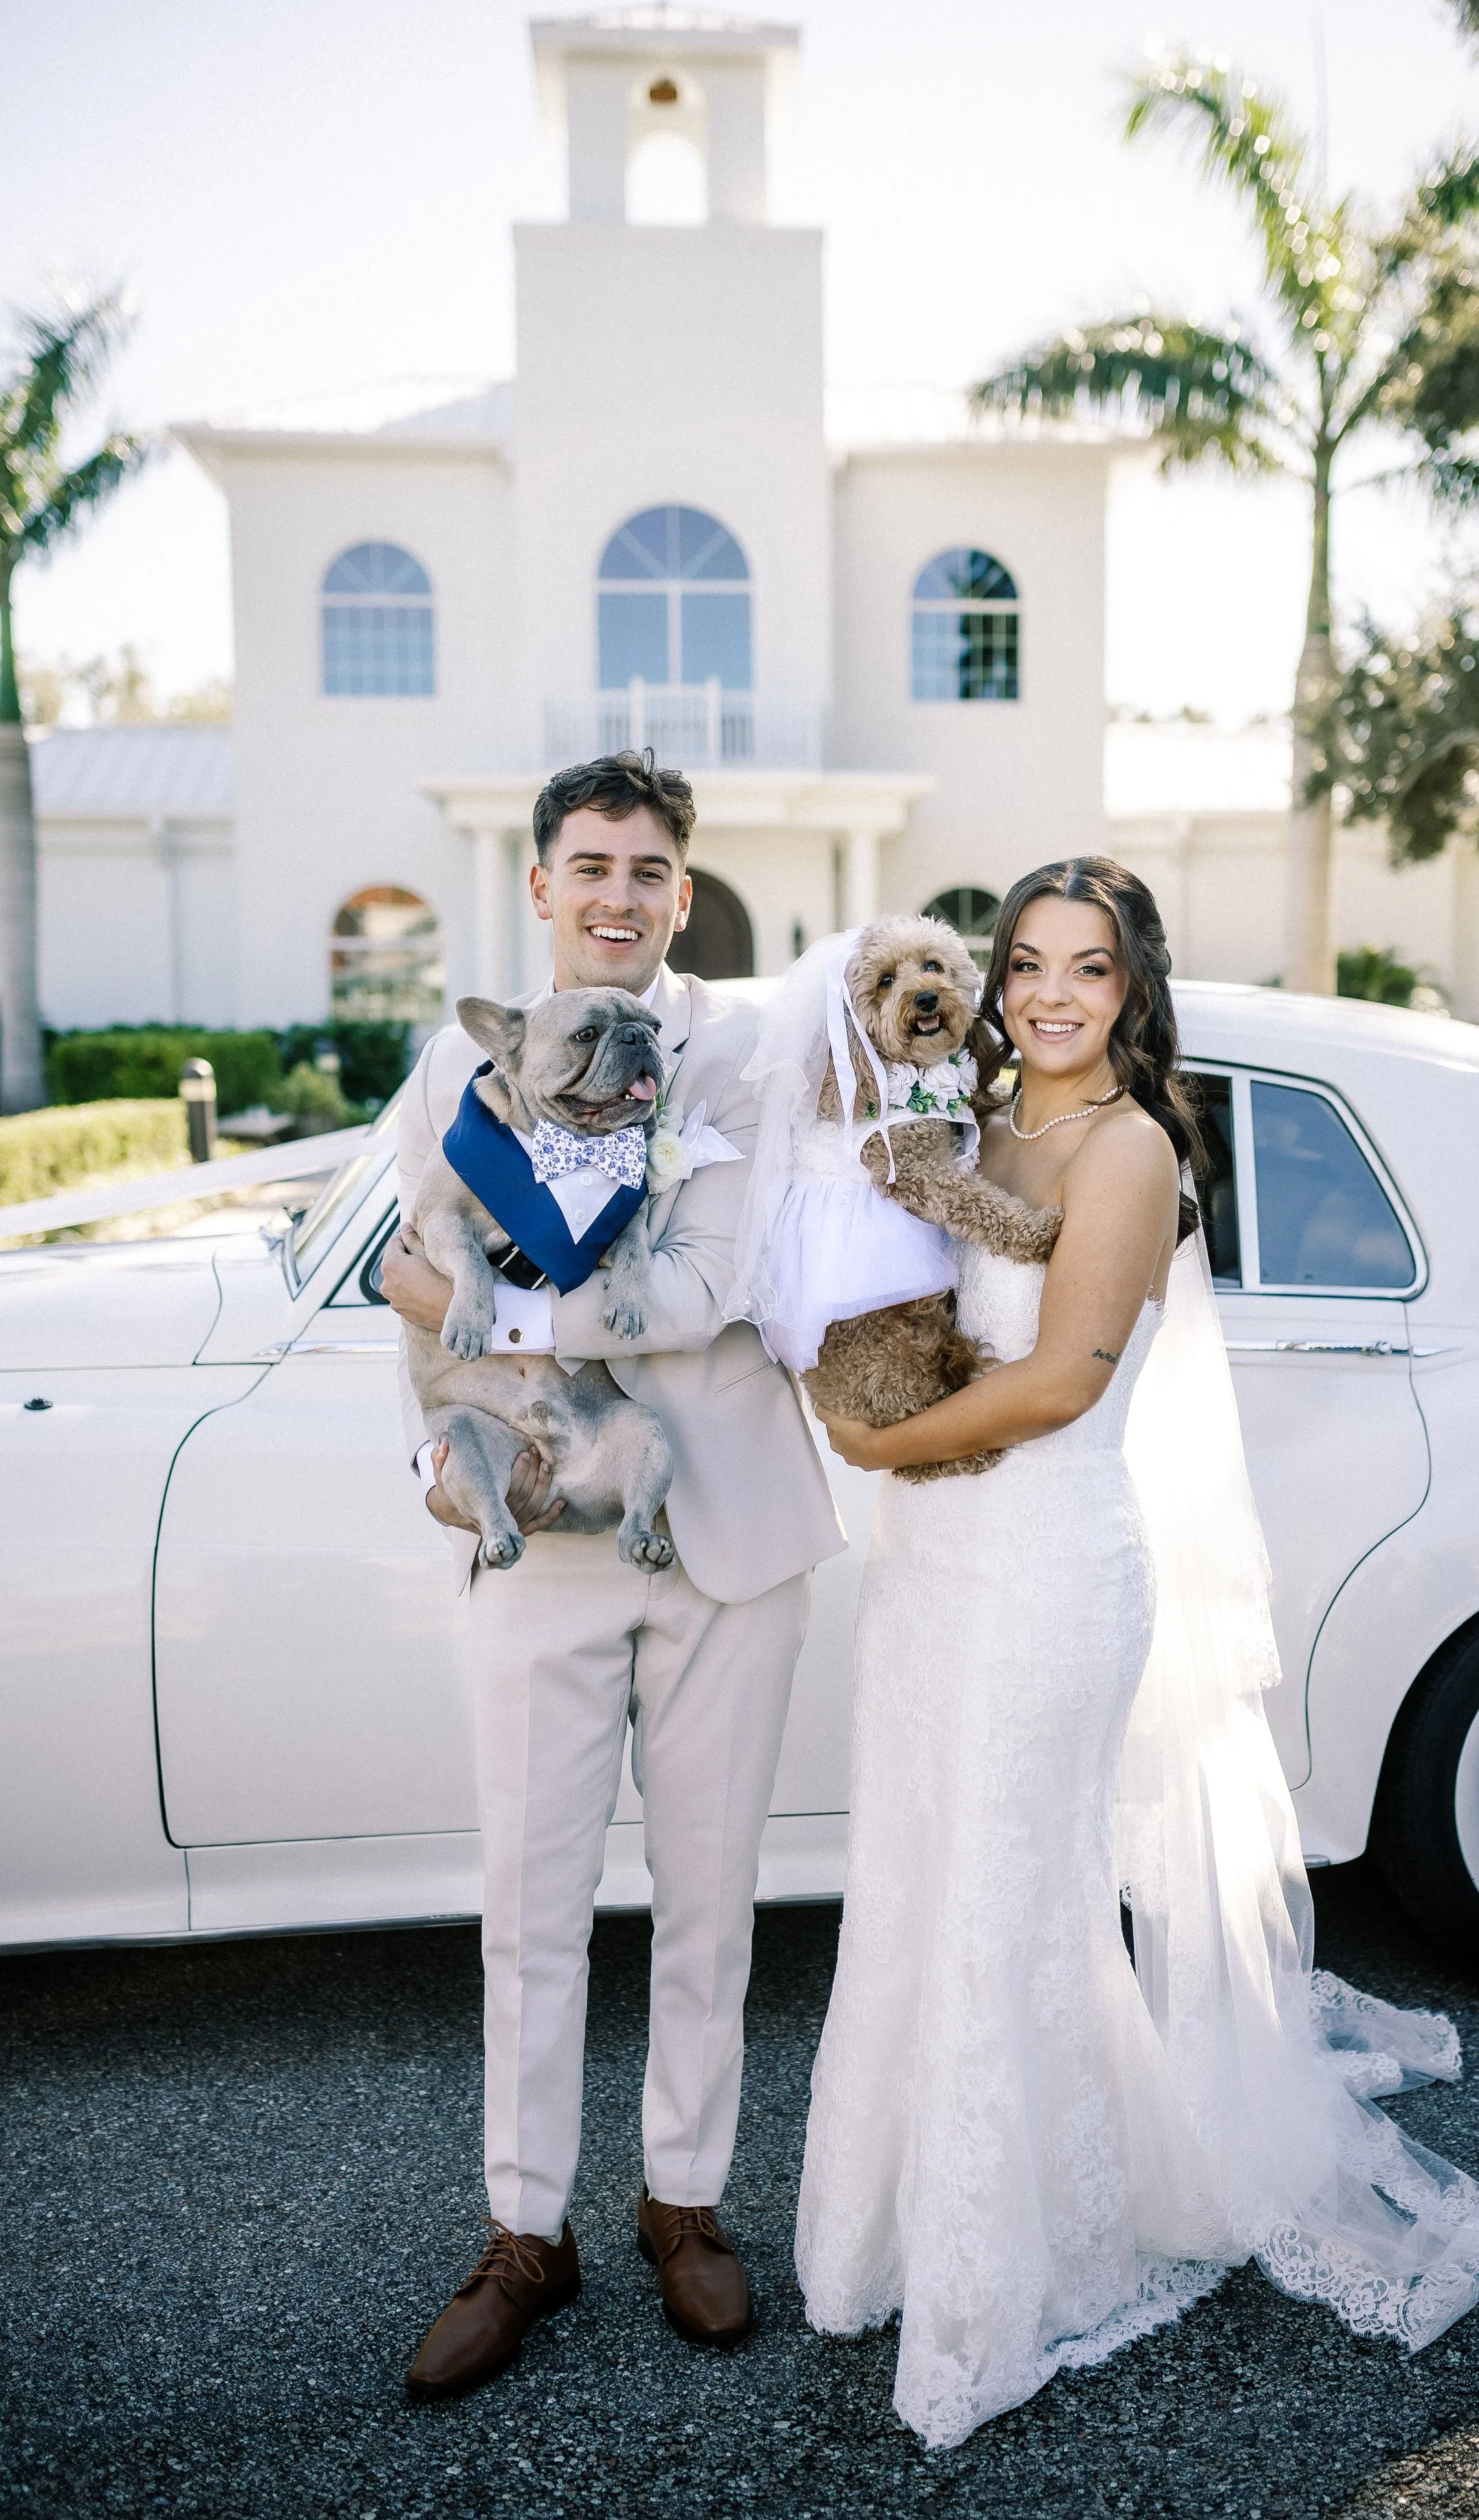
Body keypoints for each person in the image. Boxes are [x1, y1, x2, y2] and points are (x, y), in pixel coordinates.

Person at [794, 858, 1479, 2451]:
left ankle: (1009, 2272)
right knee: (921, 1879)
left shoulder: (1125, 1147)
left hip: (1047, 1563)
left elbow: (1057, 1384)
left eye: (1087, 969)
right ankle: (899, 2232)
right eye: (1026, 964)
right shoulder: (971, 1126)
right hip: (932, 1575)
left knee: (1003, 1891)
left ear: (1132, 988)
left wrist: (867, 1444)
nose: (1048, 993)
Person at [380, 750, 844, 2402]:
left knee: (712, 1902)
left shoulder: (735, 1053)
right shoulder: (461, 1051)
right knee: (530, 1908)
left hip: (726, 1536)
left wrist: (490, 1320)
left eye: (647, 872)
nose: (617, 898)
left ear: (680, 888)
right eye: (589, 867)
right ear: (539, 885)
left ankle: (685, 2205)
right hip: (534, 1541)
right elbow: (395, 1269)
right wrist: (442, 1457)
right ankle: (524, 2234)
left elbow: (708, 1288)